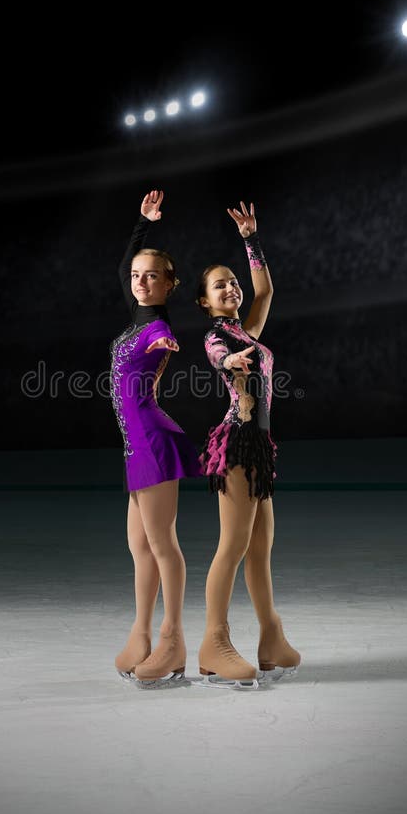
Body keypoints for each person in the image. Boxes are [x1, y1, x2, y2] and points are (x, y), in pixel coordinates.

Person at [195, 200, 301, 690]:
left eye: (233, 282)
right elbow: (220, 356)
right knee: (233, 545)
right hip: (236, 445)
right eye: (221, 286)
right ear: (206, 302)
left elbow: (266, 289)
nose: (232, 288)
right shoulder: (218, 336)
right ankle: (213, 642)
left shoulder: (246, 328)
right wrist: (231, 363)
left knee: (261, 550)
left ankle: (270, 638)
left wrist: (251, 240)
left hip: (260, 447)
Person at [111, 189, 203, 689]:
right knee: (138, 546)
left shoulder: (156, 326)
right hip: (135, 445)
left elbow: (160, 338)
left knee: (162, 544)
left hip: (153, 441)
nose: (141, 283)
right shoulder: (138, 314)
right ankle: (142, 631)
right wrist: (143, 225)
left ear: (170, 284)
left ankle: (173, 640)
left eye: (152, 277)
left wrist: (163, 342)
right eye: (136, 277)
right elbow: (126, 263)